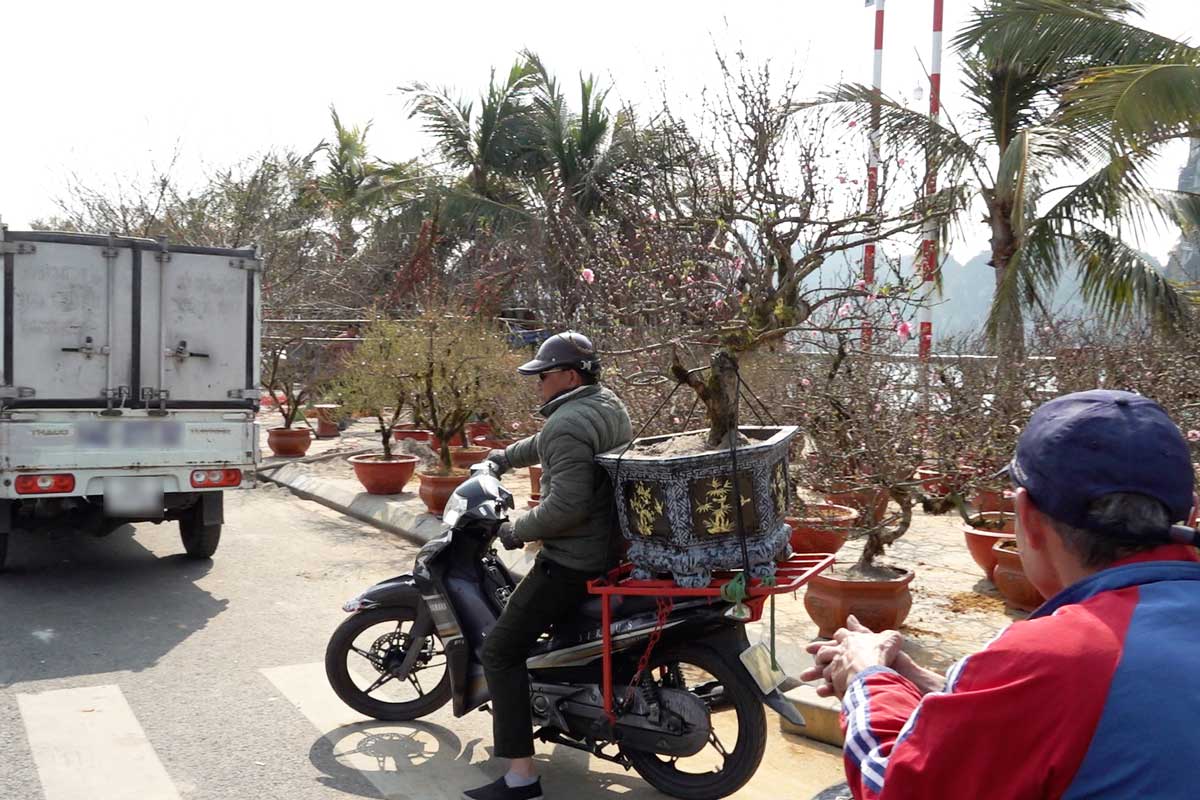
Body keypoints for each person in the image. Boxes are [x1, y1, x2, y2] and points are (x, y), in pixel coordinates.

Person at [802, 389, 1200, 799]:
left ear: (1025, 516)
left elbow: (894, 787)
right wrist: (932, 687)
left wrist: (865, 677)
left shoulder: (1057, 656)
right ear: (1190, 514)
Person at [464, 331, 633, 800]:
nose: (537, 383)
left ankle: (522, 776)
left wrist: (515, 530)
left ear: (570, 375)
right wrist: (501, 457)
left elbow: (565, 509)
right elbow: (547, 442)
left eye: (543, 375)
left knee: (499, 651)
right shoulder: (606, 404)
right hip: (610, 548)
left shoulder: (567, 423)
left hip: (573, 560)